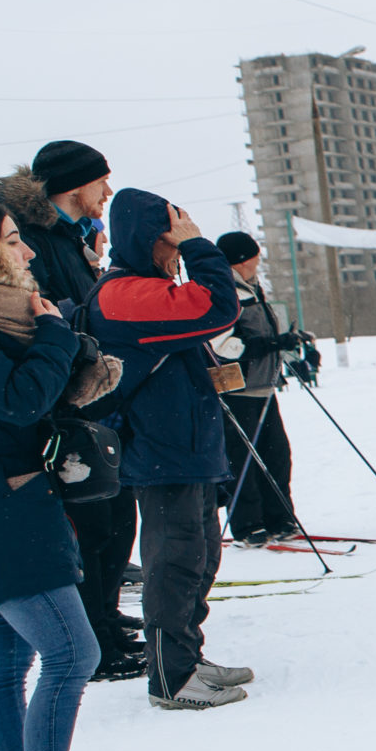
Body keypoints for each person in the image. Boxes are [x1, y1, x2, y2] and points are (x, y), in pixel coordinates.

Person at [0, 196, 130, 751]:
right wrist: (56, 337)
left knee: (5, 657)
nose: (27, 250)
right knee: (71, 652)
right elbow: (15, 398)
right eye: (12, 240)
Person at [87, 190, 251, 711]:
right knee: (174, 561)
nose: (177, 250)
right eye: (170, 238)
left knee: (198, 557)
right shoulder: (122, 292)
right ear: (145, 237)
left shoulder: (151, 286)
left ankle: (186, 656)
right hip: (160, 452)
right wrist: (201, 244)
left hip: (185, 446)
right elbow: (217, 307)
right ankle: (171, 676)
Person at [0, 140, 143, 682]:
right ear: (76, 185)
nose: (108, 191)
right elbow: (39, 314)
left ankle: (103, 617)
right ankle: (93, 638)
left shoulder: (68, 236)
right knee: (89, 522)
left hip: (82, 391)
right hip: (53, 401)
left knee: (112, 513)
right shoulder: (29, 237)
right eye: (102, 180)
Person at [212, 231, 305, 546]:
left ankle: (279, 519)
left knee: (277, 455)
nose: (258, 262)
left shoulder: (253, 289)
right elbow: (221, 346)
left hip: (264, 388)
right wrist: (268, 344)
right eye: (254, 257)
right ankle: (248, 525)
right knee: (244, 461)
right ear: (240, 260)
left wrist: (284, 341)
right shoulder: (223, 292)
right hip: (236, 392)